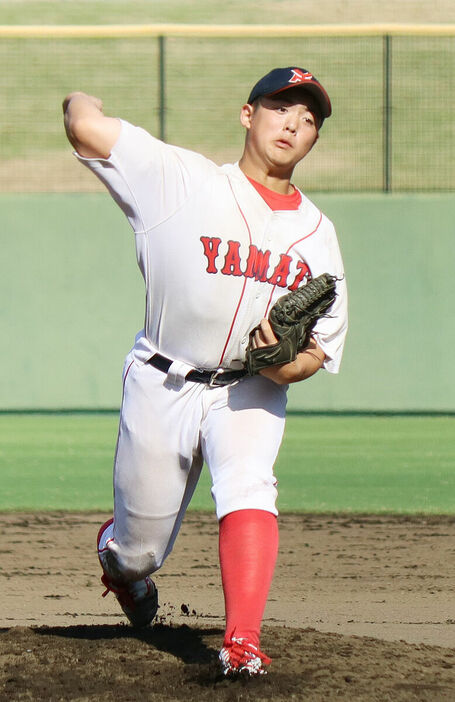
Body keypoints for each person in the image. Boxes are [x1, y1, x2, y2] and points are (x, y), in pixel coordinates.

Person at [62, 66, 348, 677]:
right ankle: (123, 565)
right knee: (139, 553)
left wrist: (283, 364)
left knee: (249, 485)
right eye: (280, 107)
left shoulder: (319, 236)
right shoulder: (180, 181)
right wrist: (83, 95)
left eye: (308, 117)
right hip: (162, 381)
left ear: (315, 138)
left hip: (247, 388)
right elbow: (83, 125)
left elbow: (317, 353)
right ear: (248, 115)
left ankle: (242, 644)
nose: (293, 123)